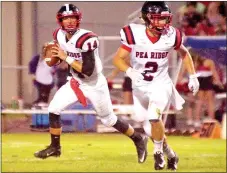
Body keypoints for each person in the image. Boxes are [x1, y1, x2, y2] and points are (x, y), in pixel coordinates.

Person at [34, 4, 148, 164]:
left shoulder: (87, 39)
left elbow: (87, 70)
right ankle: (55, 147)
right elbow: (63, 55)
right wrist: (56, 58)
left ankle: (138, 138)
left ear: (78, 19)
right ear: (60, 21)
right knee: (53, 109)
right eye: (66, 18)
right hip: (75, 82)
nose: (69, 21)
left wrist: (65, 57)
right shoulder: (58, 35)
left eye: (72, 18)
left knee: (108, 120)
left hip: (94, 84)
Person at [113, 1, 200, 170]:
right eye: (159, 19)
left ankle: (158, 153)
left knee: (154, 117)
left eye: (165, 19)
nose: (163, 23)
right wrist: (130, 71)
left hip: (161, 84)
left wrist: (193, 76)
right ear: (147, 18)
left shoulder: (171, 35)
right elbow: (118, 59)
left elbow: (184, 53)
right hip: (140, 87)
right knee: (148, 127)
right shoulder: (134, 34)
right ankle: (172, 155)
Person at [178, 49, 223, 129]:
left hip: (200, 80)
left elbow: (191, 72)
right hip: (207, 80)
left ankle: (197, 120)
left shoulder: (195, 63)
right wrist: (219, 83)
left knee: (199, 101)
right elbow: (214, 73)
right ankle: (211, 120)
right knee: (210, 102)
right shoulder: (209, 62)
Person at [28, 43, 55, 107]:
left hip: (48, 80)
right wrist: (32, 75)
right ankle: (38, 105)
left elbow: (53, 69)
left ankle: (44, 106)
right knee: (41, 95)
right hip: (39, 80)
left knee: (46, 97)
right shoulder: (37, 58)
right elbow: (31, 65)